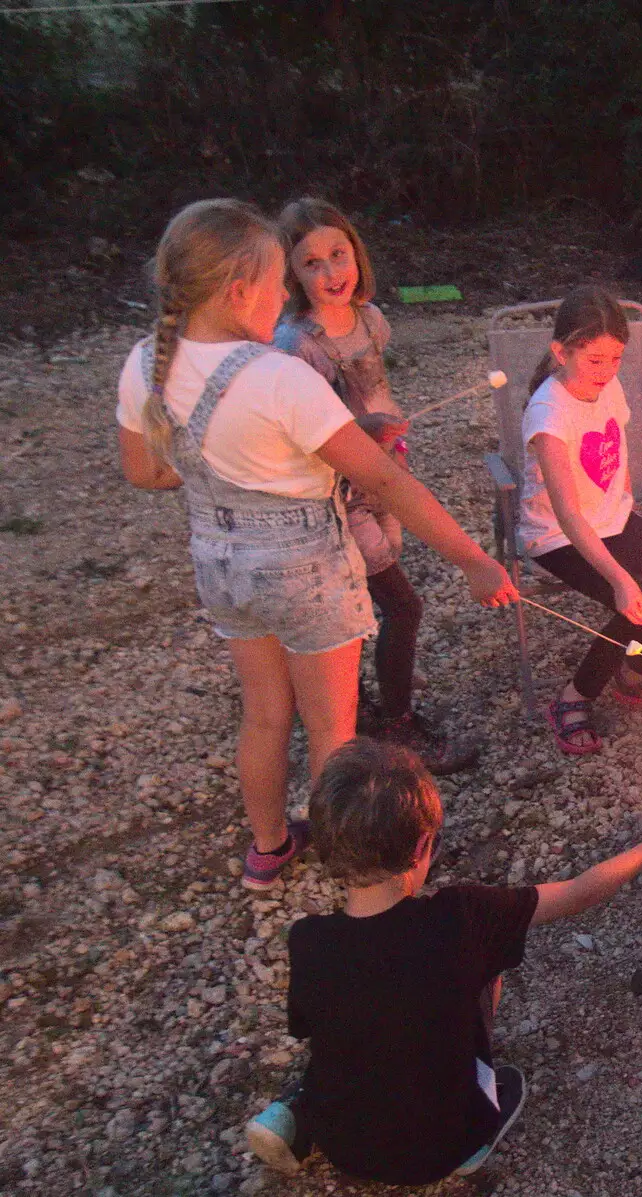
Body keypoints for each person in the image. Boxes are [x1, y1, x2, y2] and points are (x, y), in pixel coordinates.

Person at [116, 199, 516, 891]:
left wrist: (232, 465)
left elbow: (147, 471)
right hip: (302, 565)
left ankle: (269, 848)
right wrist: (474, 560)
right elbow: (385, 481)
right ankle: (355, 865)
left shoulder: (147, 360)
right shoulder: (279, 376)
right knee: (333, 729)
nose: (284, 297)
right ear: (240, 290)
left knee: (266, 712)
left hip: (219, 559)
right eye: (278, 280)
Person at [245, 737, 642, 1184]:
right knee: (483, 975)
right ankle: (473, 1141)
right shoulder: (465, 918)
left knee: (357, 1026)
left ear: (324, 846)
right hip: (439, 1152)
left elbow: (310, 1029)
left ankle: (297, 1114)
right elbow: (580, 891)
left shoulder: (309, 940)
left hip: (342, 1144)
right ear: (423, 848)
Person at [273, 197, 478, 776]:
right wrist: (364, 432)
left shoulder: (370, 320)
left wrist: (384, 433)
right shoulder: (298, 346)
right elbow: (311, 432)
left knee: (369, 598)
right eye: (312, 263)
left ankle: (352, 697)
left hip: (384, 476)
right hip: (338, 492)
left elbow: (374, 389)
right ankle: (397, 725)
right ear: (291, 274)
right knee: (403, 606)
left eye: (339, 255)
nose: (332, 273)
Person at [520, 286, 642, 753]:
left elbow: (610, 451)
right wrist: (621, 577)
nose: (607, 372)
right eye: (595, 361)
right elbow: (568, 514)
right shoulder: (548, 413)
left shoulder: (609, 385)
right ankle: (574, 695)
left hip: (610, 518)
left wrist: (624, 505)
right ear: (561, 352)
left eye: (616, 359)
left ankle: (635, 671)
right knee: (632, 603)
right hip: (559, 535)